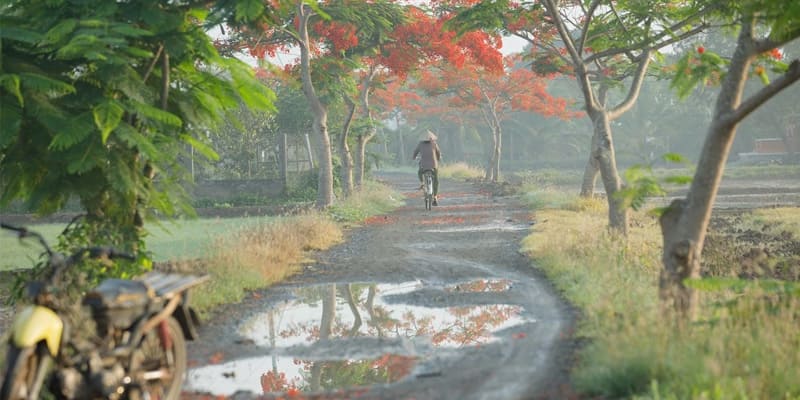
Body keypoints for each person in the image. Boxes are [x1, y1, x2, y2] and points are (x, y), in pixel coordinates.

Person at [412, 130, 442, 205]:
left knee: (419, 172)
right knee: (436, 180)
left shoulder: (420, 144)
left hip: (423, 165)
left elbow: (415, 152)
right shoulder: (434, 143)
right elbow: (438, 152)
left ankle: (422, 182)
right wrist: (438, 159)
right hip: (434, 165)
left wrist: (414, 157)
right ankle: (435, 197)